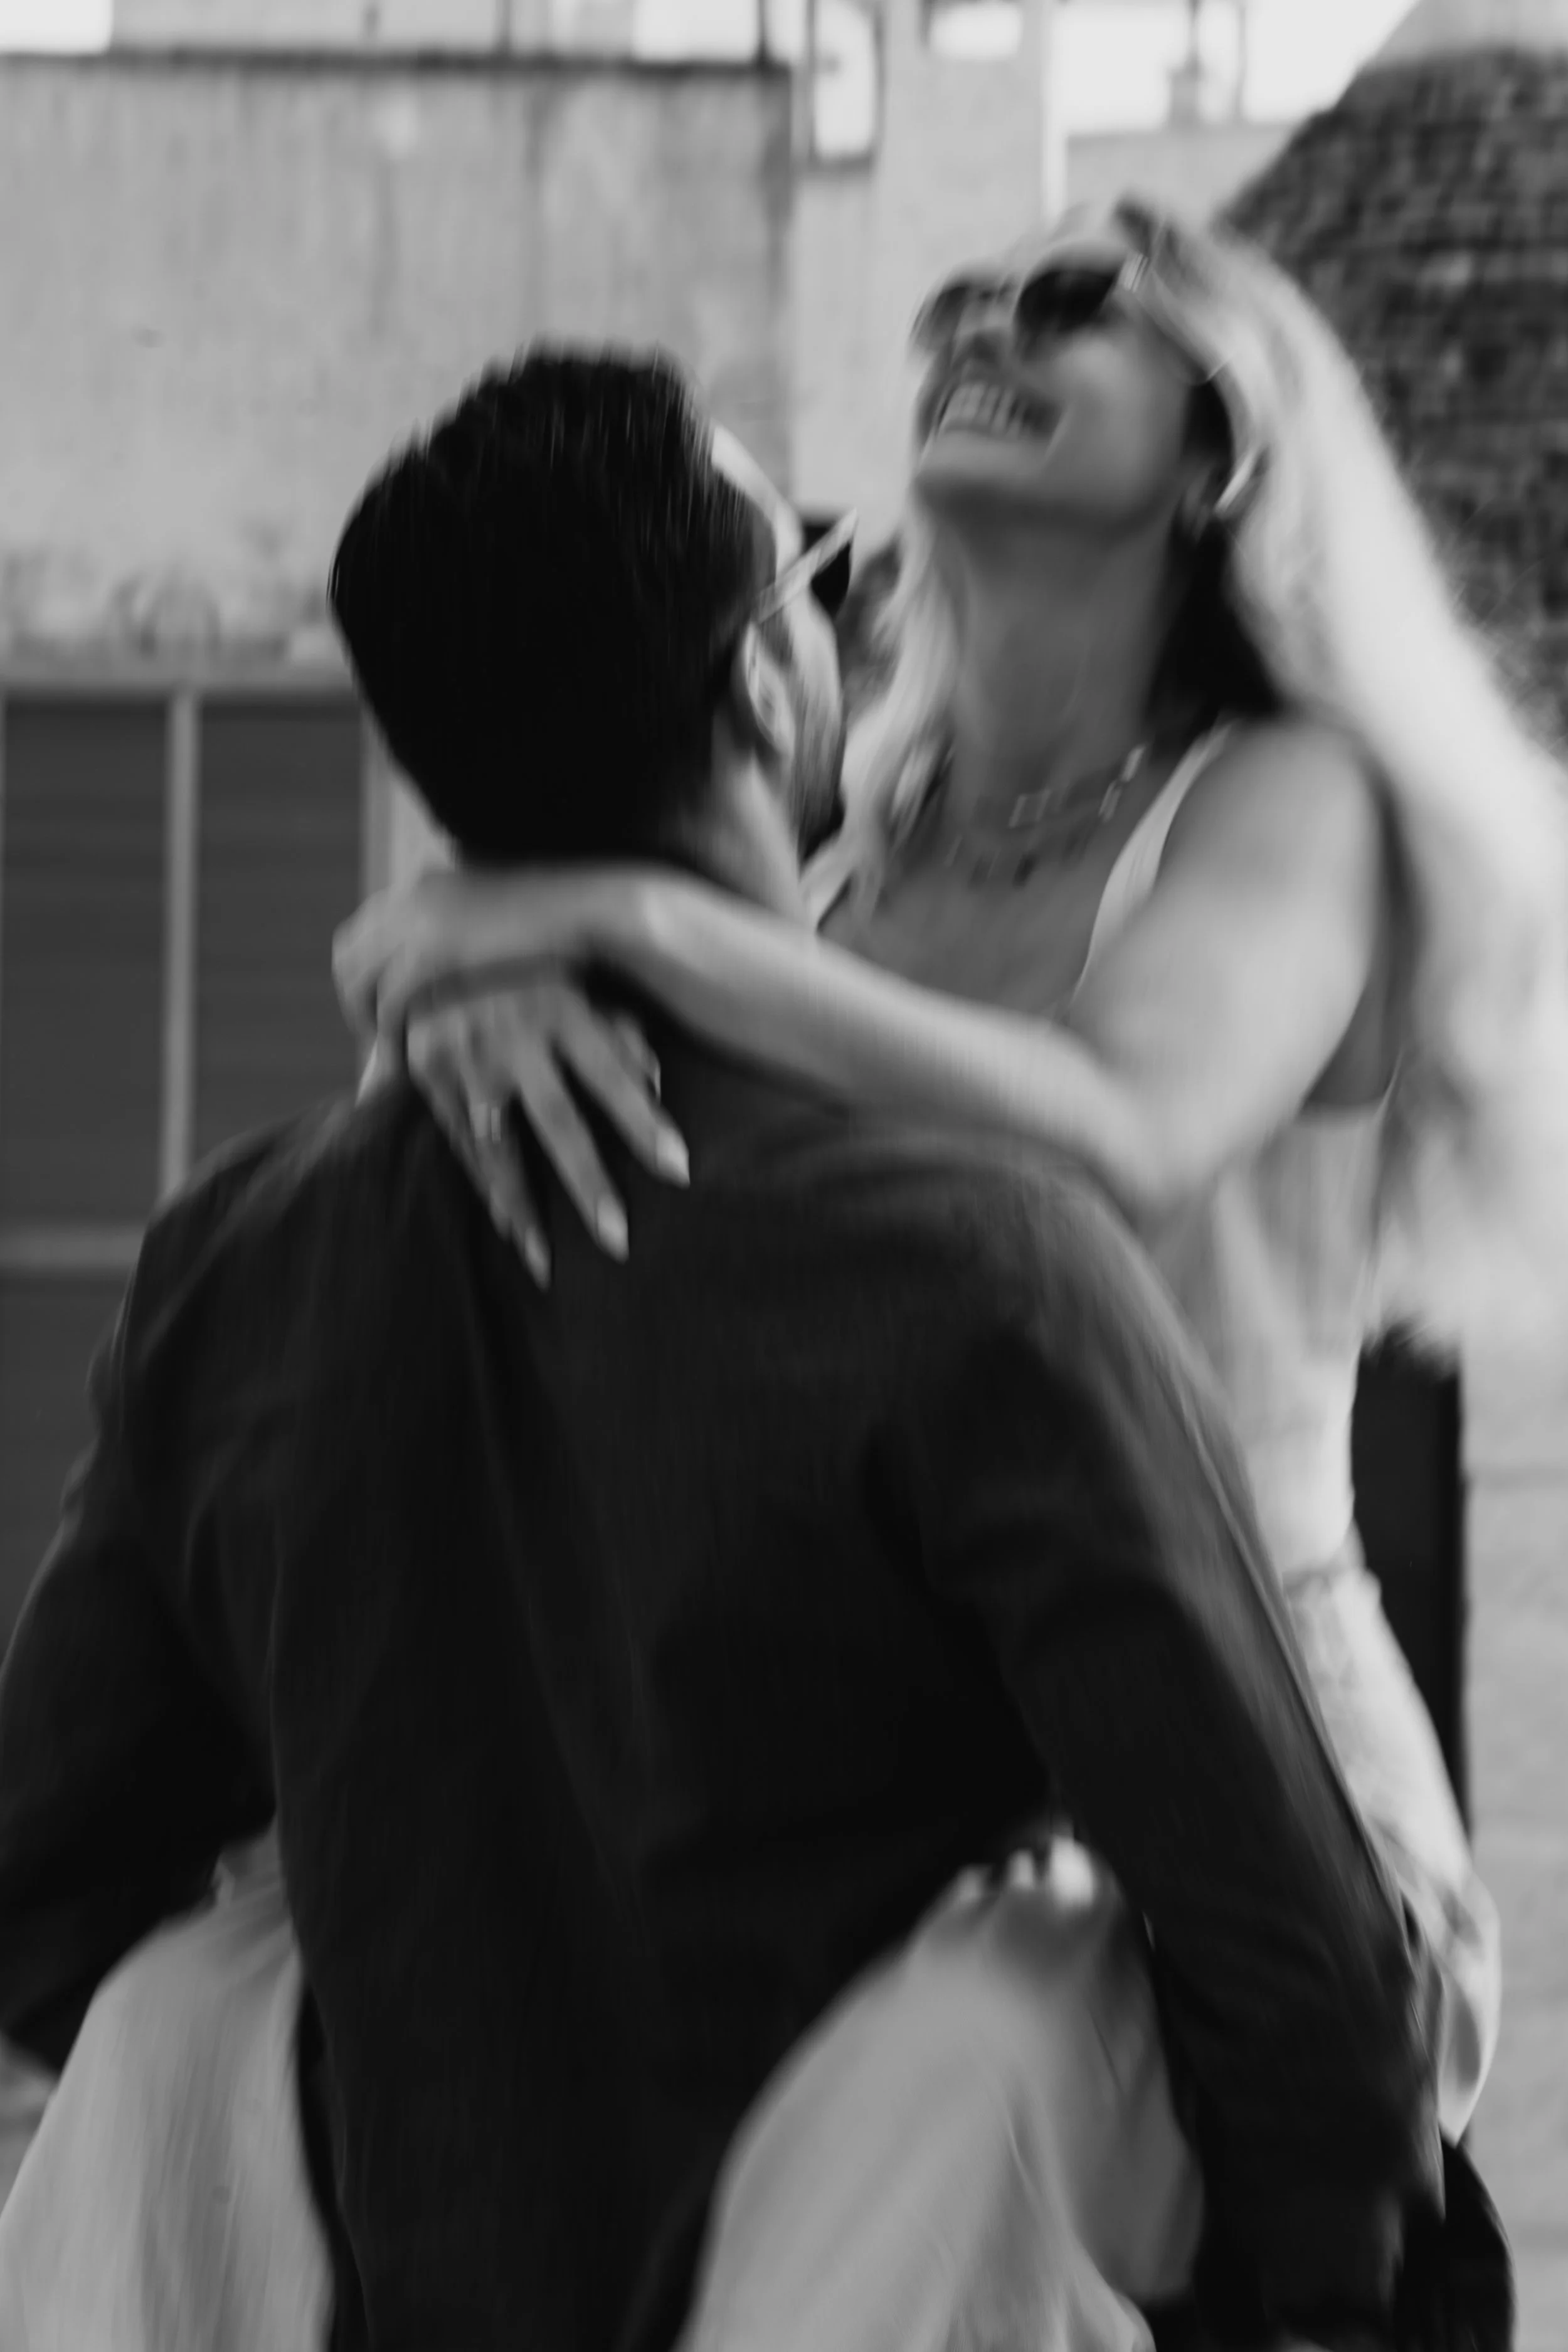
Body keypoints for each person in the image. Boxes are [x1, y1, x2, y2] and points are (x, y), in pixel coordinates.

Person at [0, 350, 1445, 2352]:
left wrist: (354, 2079)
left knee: (185, 1999)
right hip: (918, 2258)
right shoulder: (980, 1267)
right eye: (826, 582)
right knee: (1038, 1991)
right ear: (767, 679)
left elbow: (48, 1865)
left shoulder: (239, 1261)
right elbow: (1291, 1965)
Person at [336, 199, 1568, 2149]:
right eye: (964, 299)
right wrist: (480, 991)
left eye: (1072, 301)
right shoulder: (829, 859)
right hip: (859, 1796)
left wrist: (615, 922)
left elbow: (1112, 1129)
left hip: (1254, 1808)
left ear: (1216, 451)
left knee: (942, 2092)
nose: (989, 321)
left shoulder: (1285, 799)